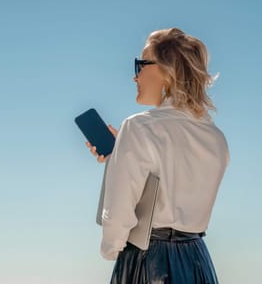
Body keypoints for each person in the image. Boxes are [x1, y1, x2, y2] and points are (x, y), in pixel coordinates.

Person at [85, 27, 230, 283]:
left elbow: (119, 219)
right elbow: (175, 176)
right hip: (198, 260)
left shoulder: (139, 127)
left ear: (167, 69)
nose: (135, 76)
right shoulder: (216, 138)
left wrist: (110, 248)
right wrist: (119, 157)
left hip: (147, 261)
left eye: (140, 64)